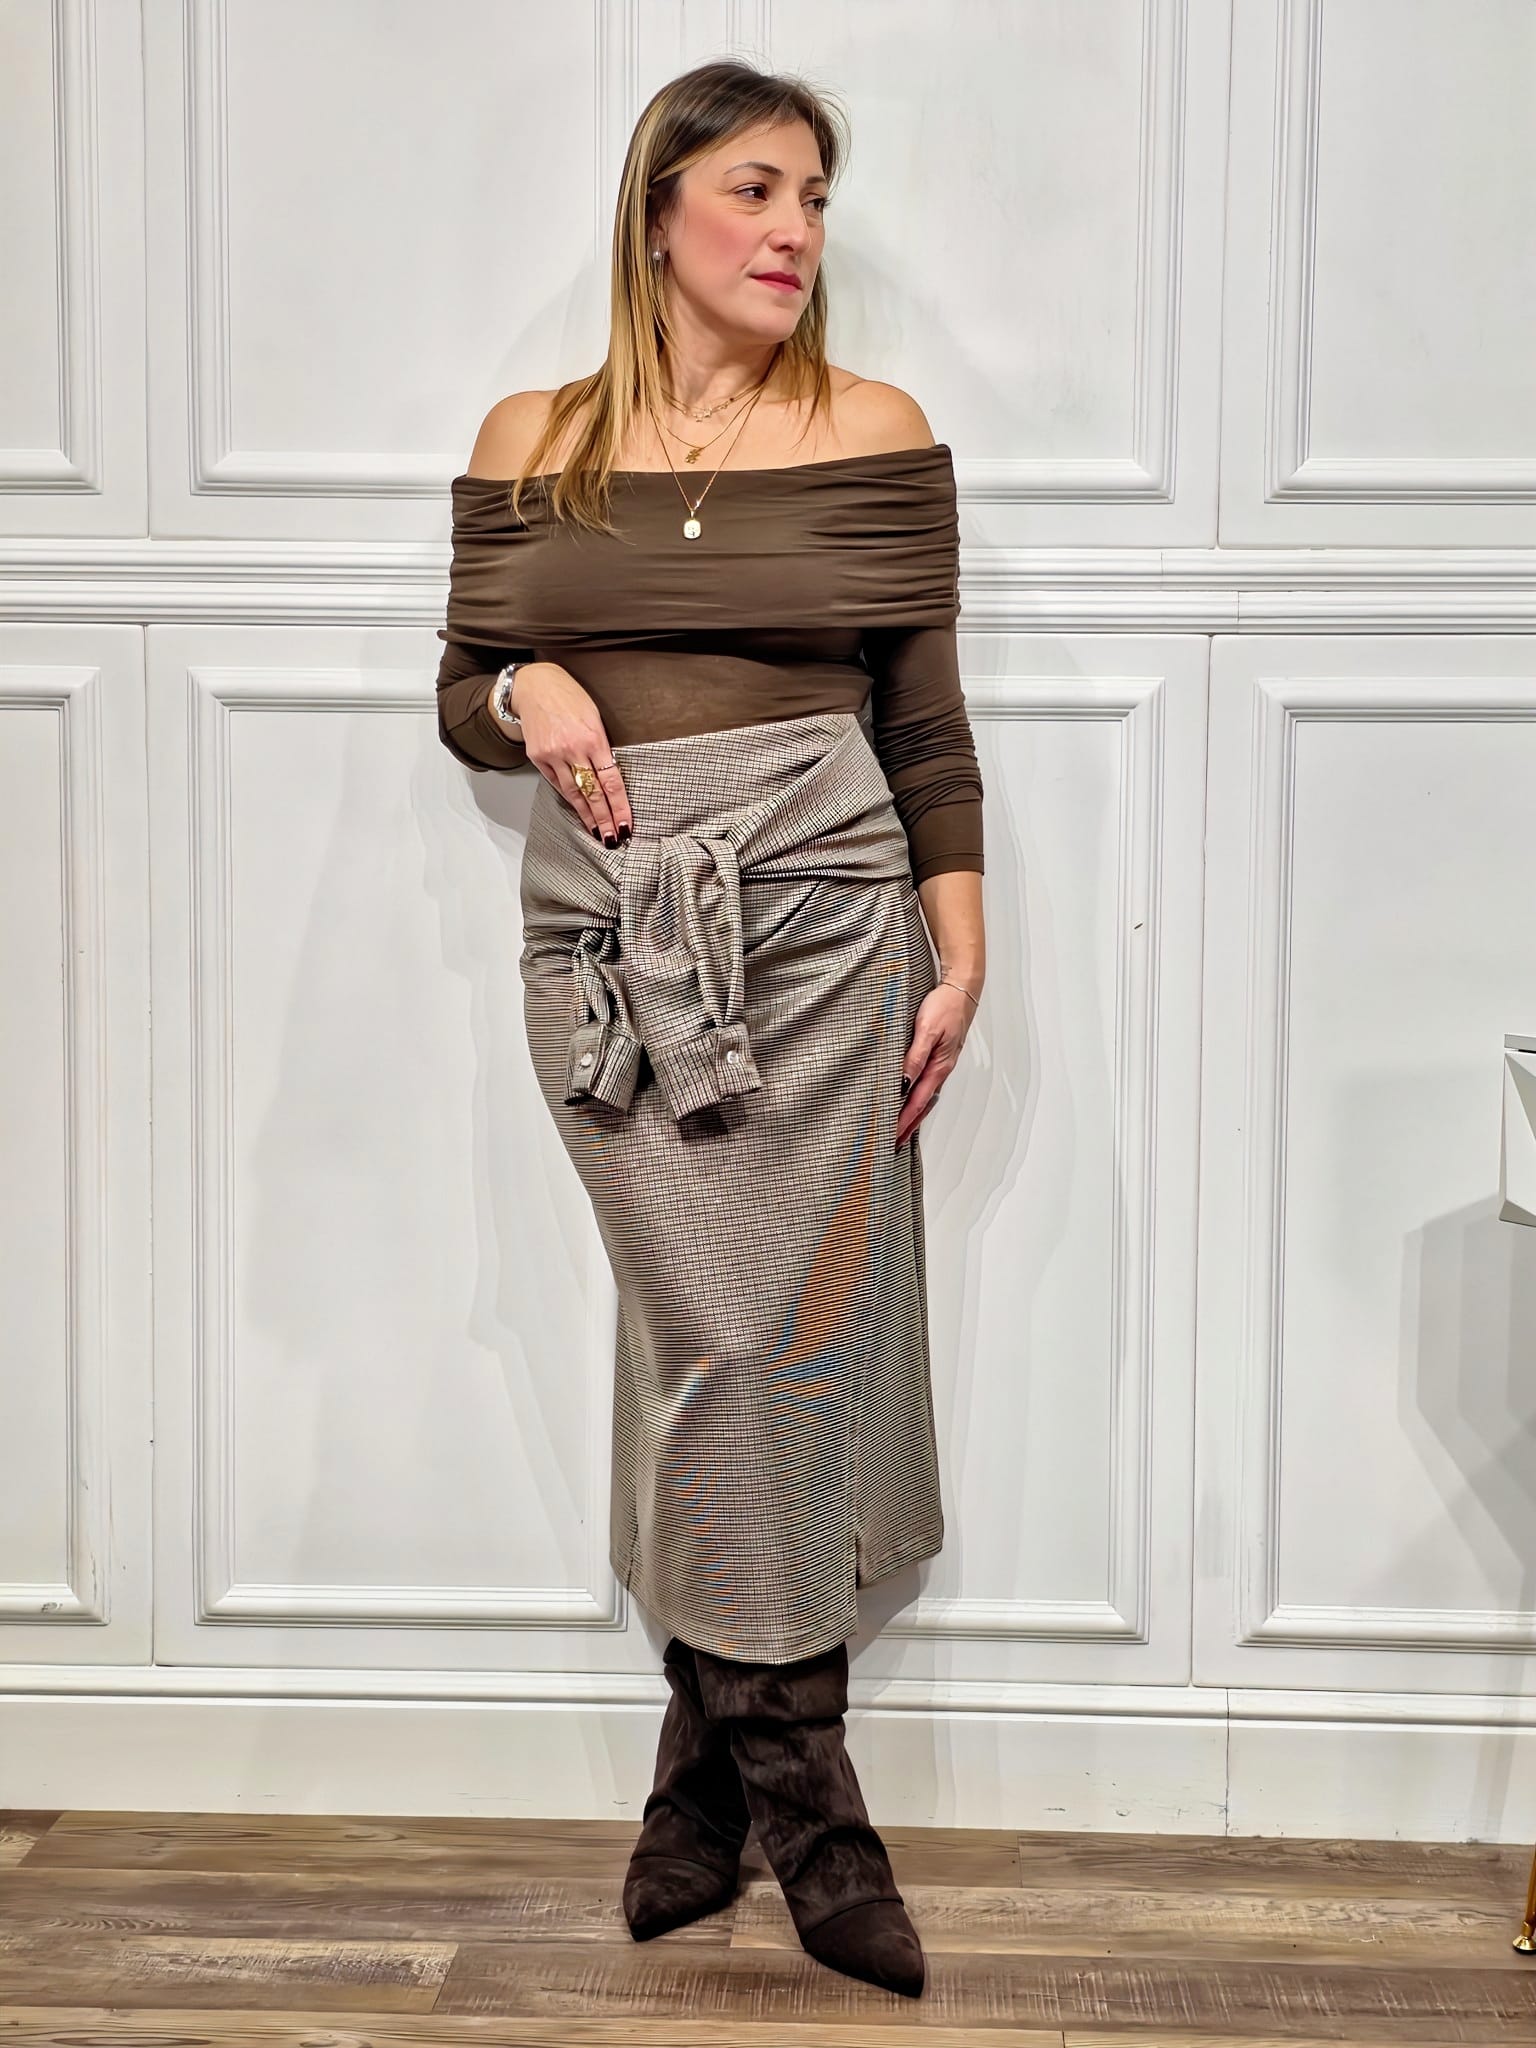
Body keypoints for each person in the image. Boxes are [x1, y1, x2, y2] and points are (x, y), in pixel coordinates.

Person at [434, 58, 985, 2000]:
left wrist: (963, 938)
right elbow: (461, 690)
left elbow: (922, 712)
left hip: (829, 920)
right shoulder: (534, 436)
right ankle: (777, 1786)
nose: (794, 230)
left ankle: (755, 1803)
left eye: (816, 199)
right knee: (713, 1332)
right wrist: (530, 689)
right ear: (658, 206)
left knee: (771, 1342)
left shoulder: (874, 429)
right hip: (610, 929)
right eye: (756, 188)